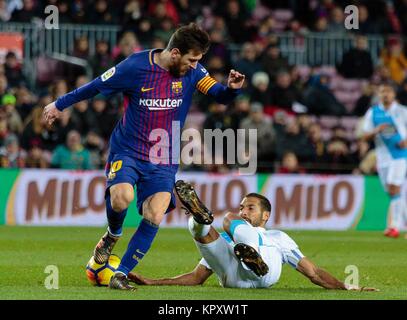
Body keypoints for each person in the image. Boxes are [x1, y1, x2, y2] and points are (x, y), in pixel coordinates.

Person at [42, 23, 245, 290]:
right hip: (128, 150)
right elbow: (94, 86)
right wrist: (59, 104)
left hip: (163, 156)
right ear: (175, 53)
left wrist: (232, 89)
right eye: (192, 59)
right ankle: (112, 235)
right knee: (121, 198)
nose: (195, 65)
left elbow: (219, 95)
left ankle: (120, 273)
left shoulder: (194, 72)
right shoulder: (134, 67)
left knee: (156, 212)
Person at [128, 180, 377, 291]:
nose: (243, 212)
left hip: (265, 271)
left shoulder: (279, 237)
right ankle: (198, 219)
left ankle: (251, 257)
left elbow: (313, 272)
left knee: (226, 220)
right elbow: (196, 277)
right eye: (242, 207)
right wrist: (153, 282)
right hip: (233, 274)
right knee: (203, 231)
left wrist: (346, 286)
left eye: (250, 208)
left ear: (265, 216)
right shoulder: (231, 237)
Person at [362, 83, 407, 238]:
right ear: (379, 94)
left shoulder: (402, 111)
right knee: (392, 191)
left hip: (400, 155)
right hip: (383, 158)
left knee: (395, 187)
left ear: (394, 94)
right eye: (382, 91)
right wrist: (377, 130)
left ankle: (395, 226)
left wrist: (405, 142)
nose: (385, 94)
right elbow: (364, 135)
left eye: (388, 91)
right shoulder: (373, 113)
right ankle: (400, 224)